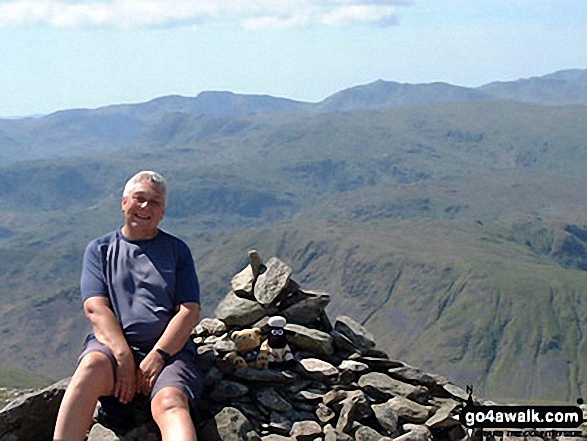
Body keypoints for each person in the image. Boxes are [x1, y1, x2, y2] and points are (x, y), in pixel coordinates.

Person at [54, 171, 201, 441]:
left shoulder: (177, 251)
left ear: (163, 211)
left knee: (171, 402)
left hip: (168, 351)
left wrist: (159, 356)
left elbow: (189, 310)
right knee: (89, 370)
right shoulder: (100, 250)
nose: (145, 207)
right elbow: (96, 308)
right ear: (124, 202)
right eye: (139, 199)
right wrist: (123, 357)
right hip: (111, 348)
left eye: (154, 202)